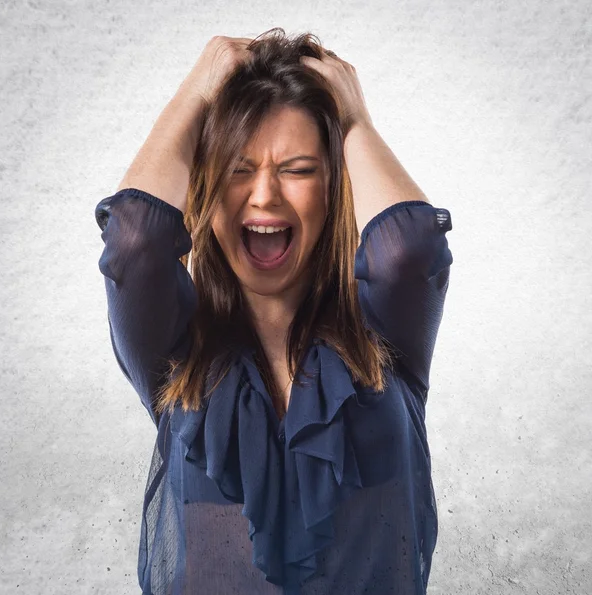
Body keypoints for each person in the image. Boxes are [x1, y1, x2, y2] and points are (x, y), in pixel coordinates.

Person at [94, 28, 453, 595]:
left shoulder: (384, 334)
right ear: (205, 193)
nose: (264, 195)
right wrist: (196, 91)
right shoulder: (176, 350)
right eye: (238, 169)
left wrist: (354, 121)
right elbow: (135, 241)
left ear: (335, 190)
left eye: (299, 169)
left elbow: (408, 251)